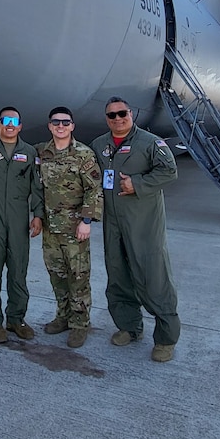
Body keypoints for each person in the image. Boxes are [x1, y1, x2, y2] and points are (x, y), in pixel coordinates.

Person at [91, 96, 180, 362]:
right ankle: (129, 327)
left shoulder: (151, 143)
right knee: (118, 275)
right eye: (112, 115)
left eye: (122, 113)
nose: (118, 119)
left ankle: (166, 338)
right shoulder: (99, 145)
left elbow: (169, 171)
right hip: (113, 223)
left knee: (153, 276)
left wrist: (137, 184)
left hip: (143, 223)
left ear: (131, 114)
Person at [36, 106, 102, 348]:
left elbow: (94, 189)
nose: (60, 126)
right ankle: (62, 316)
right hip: (51, 228)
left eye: (65, 122)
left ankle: (80, 324)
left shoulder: (84, 154)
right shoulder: (42, 152)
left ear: (72, 126)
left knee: (78, 277)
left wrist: (86, 221)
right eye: (56, 122)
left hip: (75, 229)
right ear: (50, 126)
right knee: (57, 275)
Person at [0, 106, 44, 344]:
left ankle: (16, 318)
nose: (9, 124)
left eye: (14, 121)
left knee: (18, 271)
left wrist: (38, 215)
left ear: (20, 126)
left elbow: (36, 186)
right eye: (5, 120)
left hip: (18, 221)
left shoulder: (28, 152)